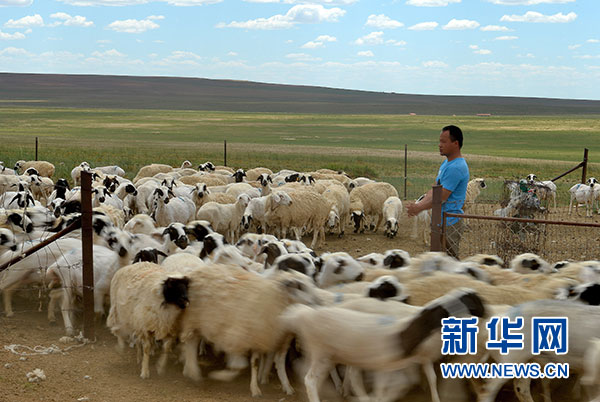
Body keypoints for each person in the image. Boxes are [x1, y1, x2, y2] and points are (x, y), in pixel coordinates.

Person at [406, 125, 469, 258]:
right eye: (439, 141)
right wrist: (420, 204)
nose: (439, 145)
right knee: (438, 261)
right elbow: (435, 190)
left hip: (450, 222)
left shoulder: (456, 168)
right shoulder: (447, 164)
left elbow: (441, 197)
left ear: (456, 143)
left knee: (449, 262)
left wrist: (419, 208)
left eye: (444, 142)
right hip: (440, 221)